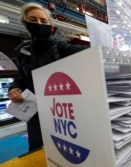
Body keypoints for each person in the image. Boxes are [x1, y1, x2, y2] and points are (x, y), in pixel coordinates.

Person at [7, 2, 89, 152]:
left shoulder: (60, 48)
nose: (38, 24)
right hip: (34, 115)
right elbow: (21, 76)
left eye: (43, 21)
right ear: (25, 24)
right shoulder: (22, 51)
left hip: (61, 114)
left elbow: (90, 52)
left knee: (64, 151)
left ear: (50, 26)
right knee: (37, 151)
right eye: (33, 20)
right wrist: (14, 87)